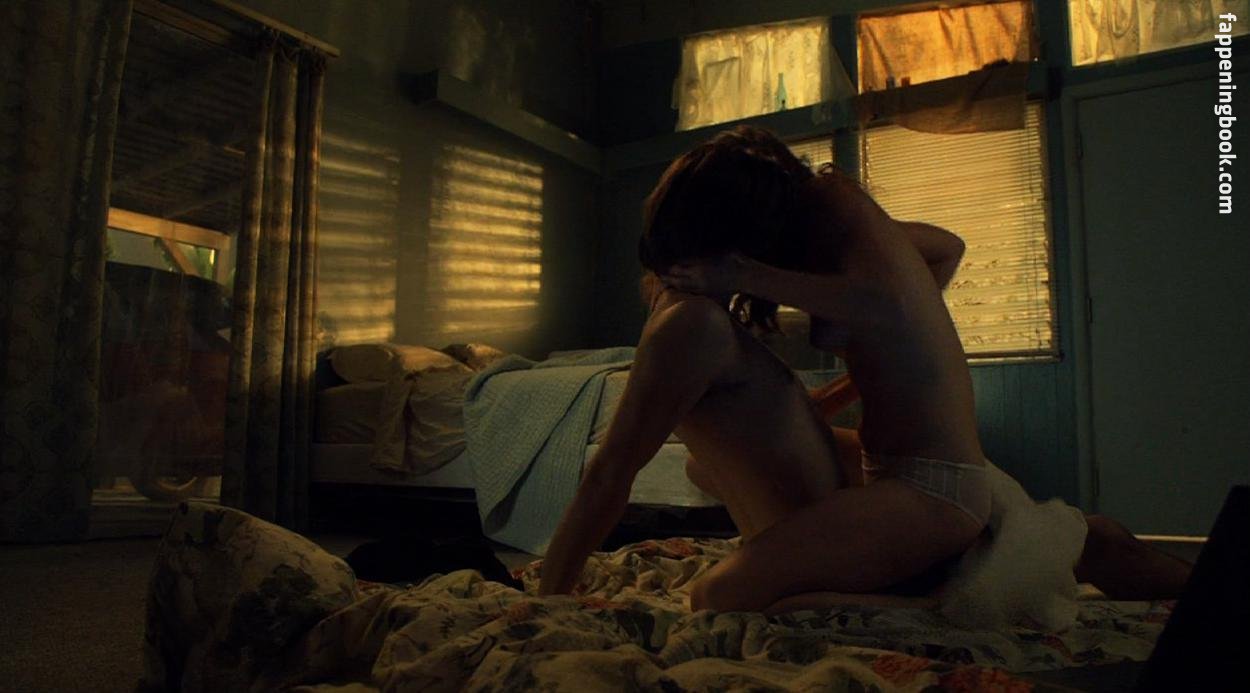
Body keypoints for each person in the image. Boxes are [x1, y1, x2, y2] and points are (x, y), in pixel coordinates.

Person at [537, 126, 1189, 611]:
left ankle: (929, 605)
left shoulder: (837, 210)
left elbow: (890, 303)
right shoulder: (838, 248)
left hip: (933, 484)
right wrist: (859, 380)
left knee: (719, 595)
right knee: (1079, 543)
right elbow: (941, 252)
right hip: (903, 467)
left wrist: (746, 275)